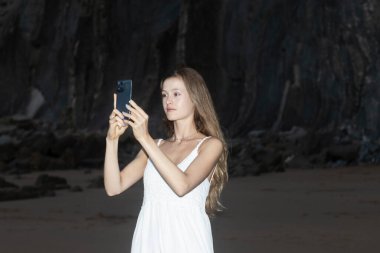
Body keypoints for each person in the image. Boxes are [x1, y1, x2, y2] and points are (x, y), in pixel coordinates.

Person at [104, 67, 228, 252]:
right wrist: (111, 141)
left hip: (187, 242)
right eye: (164, 95)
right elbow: (114, 187)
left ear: (196, 98)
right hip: (149, 240)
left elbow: (182, 186)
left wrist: (144, 138)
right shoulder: (155, 146)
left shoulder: (210, 145)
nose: (168, 100)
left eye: (176, 94)